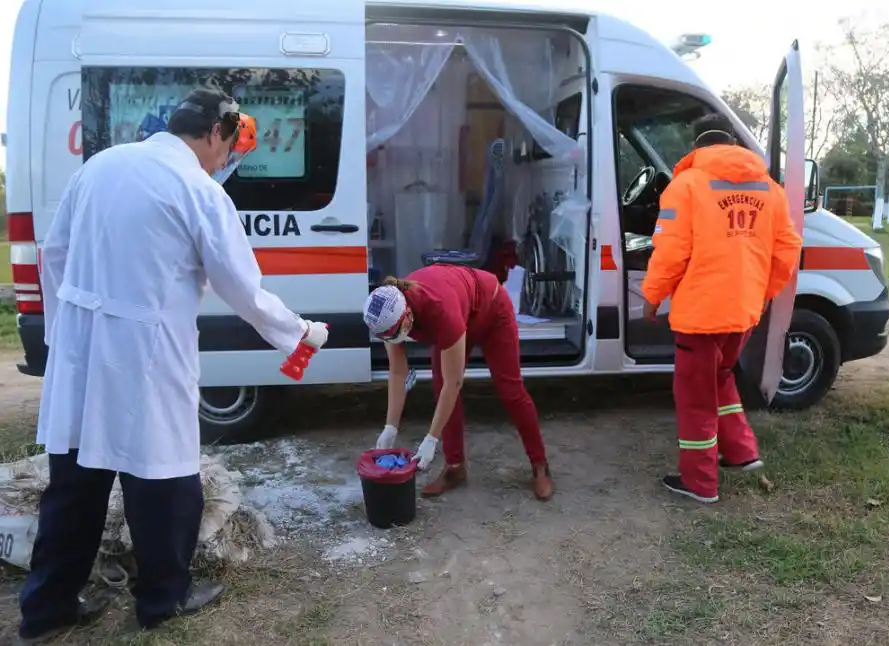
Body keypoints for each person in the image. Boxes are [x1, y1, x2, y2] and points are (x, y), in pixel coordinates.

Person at [17, 88, 330, 643]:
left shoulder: (101, 165)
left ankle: (47, 607)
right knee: (162, 478)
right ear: (215, 132)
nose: (226, 159)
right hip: (146, 351)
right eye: (228, 146)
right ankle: (162, 599)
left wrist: (71, 325)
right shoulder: (196, 189)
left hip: (82, 347)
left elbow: (55, 253)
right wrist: (300, 334)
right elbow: (244, 290)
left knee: (74, 482)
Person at [641, 113, 802, 504]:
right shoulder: (770, 189)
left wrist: (652, 296)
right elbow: (787, 250)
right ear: (733, 142)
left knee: (696, 394)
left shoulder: (687, 186)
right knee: (721, 377)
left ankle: (699, 483)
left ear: (697, 145)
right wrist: (762, 292)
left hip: (700, 315)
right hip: (743, 311)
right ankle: (741, 451)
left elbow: (671, 252)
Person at [362, 264, 554, 501]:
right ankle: (455, 468)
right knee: (439, 386)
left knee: (510, 390)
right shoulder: (390, 317)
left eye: (394, 334)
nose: (393, 340)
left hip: (491, 311)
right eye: (386, 337)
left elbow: (454, 383)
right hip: (460, 311)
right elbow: (398, 373)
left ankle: (539, 464)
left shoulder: (439, 310)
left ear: (408, 316)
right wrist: (390, 428)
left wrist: (431, 439)